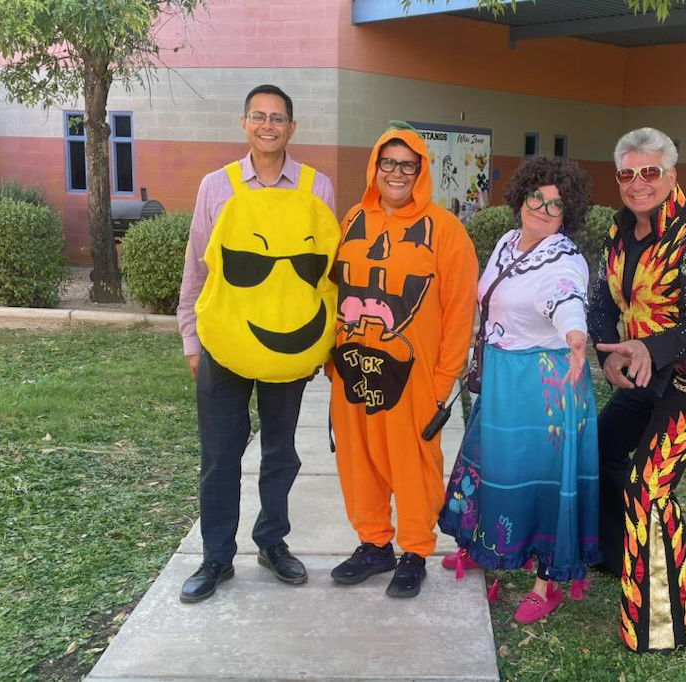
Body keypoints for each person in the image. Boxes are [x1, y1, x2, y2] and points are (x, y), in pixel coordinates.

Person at [176, 84, 340, 602]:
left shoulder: (319, 188)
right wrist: (190, 337)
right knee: (220, 455)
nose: (268, 125)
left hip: (289, 346)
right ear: (244, 123)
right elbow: (197, 264)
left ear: (292, 127)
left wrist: (324, 342)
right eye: (258, 116)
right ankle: (216, 558)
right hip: (223, 346)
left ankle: (272, 542)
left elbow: (328, 275)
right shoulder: (215, 186)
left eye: (278, 118)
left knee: (281, 452)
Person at [588, 127, 686, 652]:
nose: (638, 184)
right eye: (628, 174)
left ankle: (674, 621)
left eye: (649, 172)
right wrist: (608, 352)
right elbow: (602, 302)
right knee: (601, 451)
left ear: (672, 175)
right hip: (642, 371)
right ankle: (622, 556)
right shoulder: (617, 235)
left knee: (649, 486)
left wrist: (646, 350)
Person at [439, 156, 601, 624]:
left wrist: (575, 336)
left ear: (566, 214)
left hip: (546, 381)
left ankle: (546, 581)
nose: (544, 209)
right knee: (493, 464)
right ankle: (483, 546)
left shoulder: (565, 259)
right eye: (537, 197)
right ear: (522, 196)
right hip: (504, 375)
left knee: (541, 480)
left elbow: (567, 299)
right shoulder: (508, 243)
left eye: (556, 204)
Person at [328, 122, 477, 598]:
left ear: (420, 171)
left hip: (413, 376)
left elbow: (459, 314)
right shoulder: (353, 218)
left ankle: (414, 550)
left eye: (406, 165)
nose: (396, 173)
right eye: (387, 162)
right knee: (359, 461)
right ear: (375, 167)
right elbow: (335, 289)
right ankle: (374, 544)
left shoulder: (446, 231)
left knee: (413, 465)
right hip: (353, 369)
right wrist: (332, 358)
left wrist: (441, 381)